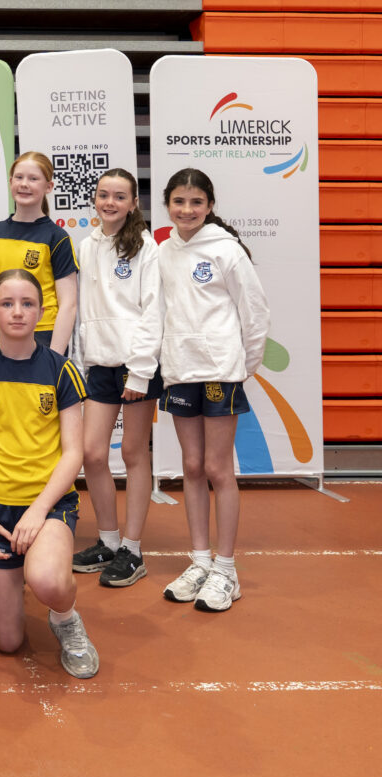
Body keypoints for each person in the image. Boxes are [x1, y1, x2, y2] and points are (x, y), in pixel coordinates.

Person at [0, 268, 99, 679]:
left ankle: (66, 618)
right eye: (7, 303)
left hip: (47, 506)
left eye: (27, 303)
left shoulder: (61, 370)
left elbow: (74, 453)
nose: (17, 312)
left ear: (42, 311)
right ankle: (8, 581)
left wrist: (38, 510)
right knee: (7, 641)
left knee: (47, 581)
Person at [157, 168, 270, 612]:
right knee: (191, 466)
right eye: (179, 201)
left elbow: (254, 312)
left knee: (218, 468)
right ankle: (200, 561)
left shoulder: (227, 250)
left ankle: (226, 570)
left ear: (209, 206)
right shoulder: (163, 251)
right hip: (180, 371)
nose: (187, 210)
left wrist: (242, 367)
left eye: (196, 202)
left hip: (220, 372)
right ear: (167, 204)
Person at [71, 168, 163, 588]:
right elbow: (84, 310)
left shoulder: (146, 246)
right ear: (95, 199)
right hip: (99, 364)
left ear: (133, 203)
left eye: (119, 196)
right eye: (104, 194)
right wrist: (82, 360)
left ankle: (132, 549)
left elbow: (153, 310)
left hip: (135, 364)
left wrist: (140, 372)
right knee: (92, 454)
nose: (110, 202)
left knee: (132, 453)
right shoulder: (86, 245)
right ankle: (108, 541)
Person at [0, 152, 79, 355]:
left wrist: (54, 358)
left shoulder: (57, 237)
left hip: (42, 334)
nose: (24, 184)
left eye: (33, 179)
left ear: (48, 187)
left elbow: (68, 304)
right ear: (10, 182)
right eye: (19, 177)